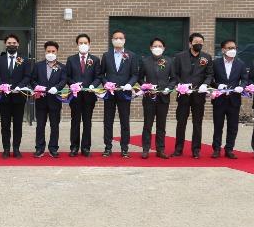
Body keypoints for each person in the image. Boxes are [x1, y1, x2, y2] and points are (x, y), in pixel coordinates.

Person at [172, 32, 214, 158]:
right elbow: (175, 74)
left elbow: (209, 74)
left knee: (197, 123)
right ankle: (178, 149)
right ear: (190, 43)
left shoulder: (207, 57)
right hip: (184, 95)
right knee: (181, 122)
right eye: (196, 42)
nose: (198, 44)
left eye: (201, 43)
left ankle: (196, 150)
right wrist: (181, 85)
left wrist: (205, 84)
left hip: (198, 96)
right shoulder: (179, 57)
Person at [98, 29, 138, 158]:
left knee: (124, 121)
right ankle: (108, 147)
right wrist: (106, 83)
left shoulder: (131, 55)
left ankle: (124, 148)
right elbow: (101, 74)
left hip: (124, 93)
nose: (118, 40)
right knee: (108, 121)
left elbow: (135, 74)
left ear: (124, 40)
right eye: (116, 38)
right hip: (110, 94)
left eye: (121, 38)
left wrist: (129, 84)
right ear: (112, 40)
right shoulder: (106, 55)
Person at [0, 34, 32, 158]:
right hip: (4, 98)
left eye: (14, 43)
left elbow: (27, 76)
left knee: (18, 125)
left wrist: (20, 86)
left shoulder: (24, 60)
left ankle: (16, 148)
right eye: (9, 43)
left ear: (18, 44)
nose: (11, 45)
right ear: (5, 44)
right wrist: (2, 85)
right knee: (5, 125)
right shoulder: (0, 60)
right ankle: (6, 149)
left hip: (19, 97)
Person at [64, 33, 102, 157]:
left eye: (85, 43)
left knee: (87, 122)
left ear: (89, 44)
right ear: (77, 45)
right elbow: (67, 76)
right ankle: (74, 147)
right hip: (75, 96)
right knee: (75, 121)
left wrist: (93, 86)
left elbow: (98, 77)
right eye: (81, 43)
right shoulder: (71, 59)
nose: (83, 45)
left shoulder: (95, 60)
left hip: (89, 97)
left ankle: (86, 147)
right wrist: (73, 85)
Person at [138, 38, 176, 159]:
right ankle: (145, 149)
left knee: (161, 125)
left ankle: (160, 149)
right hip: (149, 97)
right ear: (151, 48)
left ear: (164, 48)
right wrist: (146, 86)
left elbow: (174, 79)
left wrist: (168, 88)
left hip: (163, 98)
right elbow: (140, 78)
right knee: (147, 125)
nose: (157, 48)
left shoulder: (169, 61)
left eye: (160, 46)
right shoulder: (145, 61)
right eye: (155, 46)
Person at [211, 39, 247, 159]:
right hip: (219, 99)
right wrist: (217, 85)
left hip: (234, 99)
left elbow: (245, 79)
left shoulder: (240, 64)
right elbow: (210, 79)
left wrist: (241, 87)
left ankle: (229, 149)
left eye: (234, 48)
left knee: (233, 126)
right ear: (223, 50)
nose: (233, 50)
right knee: (218, 125)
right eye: (230, 48)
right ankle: (216, 149)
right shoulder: (215, 63)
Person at [32, 41, 66, 158]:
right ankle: (39, 148)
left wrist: (57, 88)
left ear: (57, 52)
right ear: (45, 52)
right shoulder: (38, 65)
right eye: (48, 51)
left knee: (54, 126)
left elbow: (63, 80)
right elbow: (33, 79)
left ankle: (53, 148)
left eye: (53, 51)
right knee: (40, 126)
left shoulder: (62, 67)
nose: (50, 53)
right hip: (41, 100)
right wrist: (37, 87)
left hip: (55, 100)